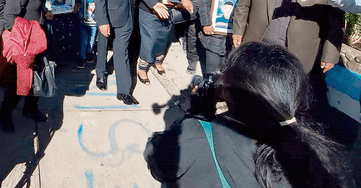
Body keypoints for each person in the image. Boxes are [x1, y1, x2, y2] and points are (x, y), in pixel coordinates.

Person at [145, 42, 352, 188]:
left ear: (228, 93)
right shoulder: (322, 160)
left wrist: (197, 112)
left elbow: (156, 161)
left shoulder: (194, 136)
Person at [0, 0, 49, 132]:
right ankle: (5, 117)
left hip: (36, 38)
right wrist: (22, 39)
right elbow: (10, 15)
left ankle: (31, 109)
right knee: (17, 83)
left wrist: (44, 11)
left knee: (36, 78)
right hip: (24, 40)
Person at [199, 0, 247, 77]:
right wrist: (206, 23)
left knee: (228, 70)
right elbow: (203, 2)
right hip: (214, 34)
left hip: (234, 36)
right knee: (211, 70)